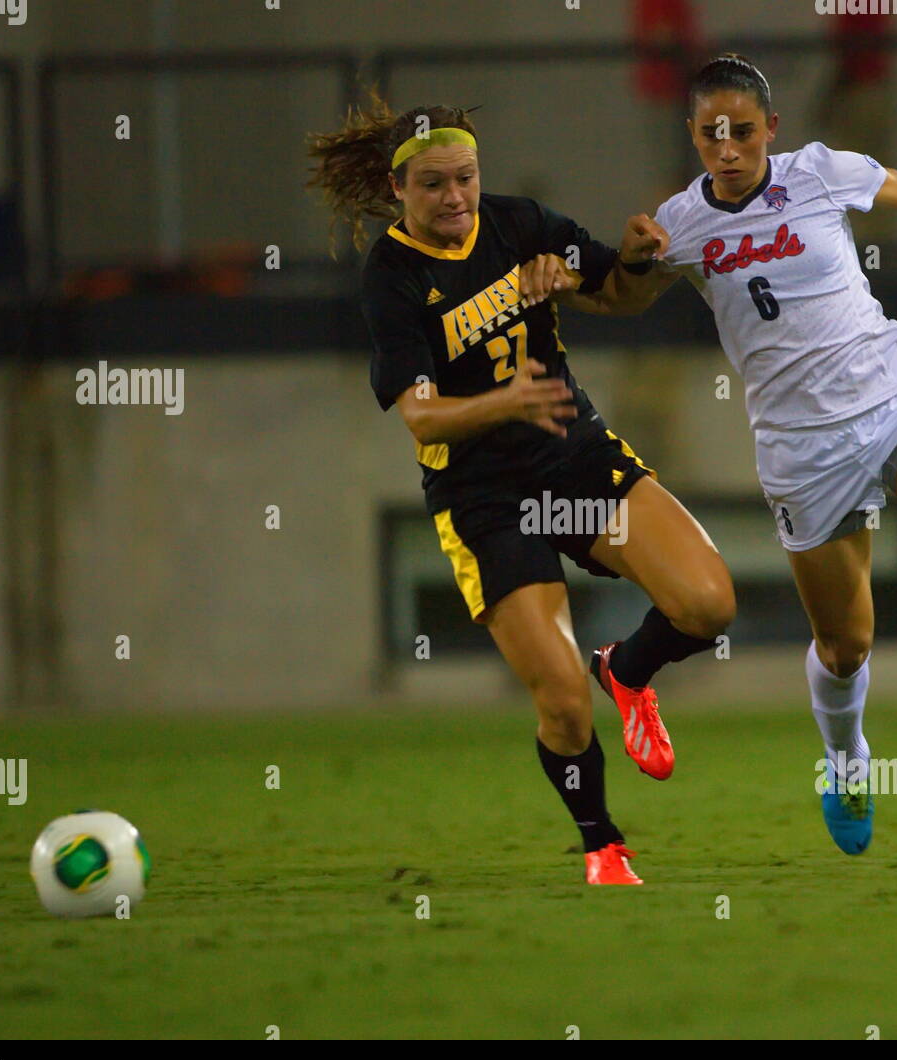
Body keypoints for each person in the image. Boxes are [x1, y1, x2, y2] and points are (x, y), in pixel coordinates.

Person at [533, 53, 897, 855]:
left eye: (743, 130)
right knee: (846, 647)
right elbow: (621, 300)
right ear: (694, 136)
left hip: (894, 393)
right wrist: (629, 259)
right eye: (711, 134)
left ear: (772, 129)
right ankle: (847, 763)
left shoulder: (820, 173)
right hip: (802, 450)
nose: (728, 147)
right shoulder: (681, 223)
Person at [306, 94, 735, 883]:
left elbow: (622, 293)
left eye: (465, 177)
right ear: (398, 190)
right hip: (484, 498)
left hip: (569, 457)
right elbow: (423, 419)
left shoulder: (520, 223)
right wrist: (509, 401)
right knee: (564, 701)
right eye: (433, 184)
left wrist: (635, 259)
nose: (455, 198)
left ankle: (631, 669)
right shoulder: (392, 277)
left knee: (709, 604)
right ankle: (603, 843)